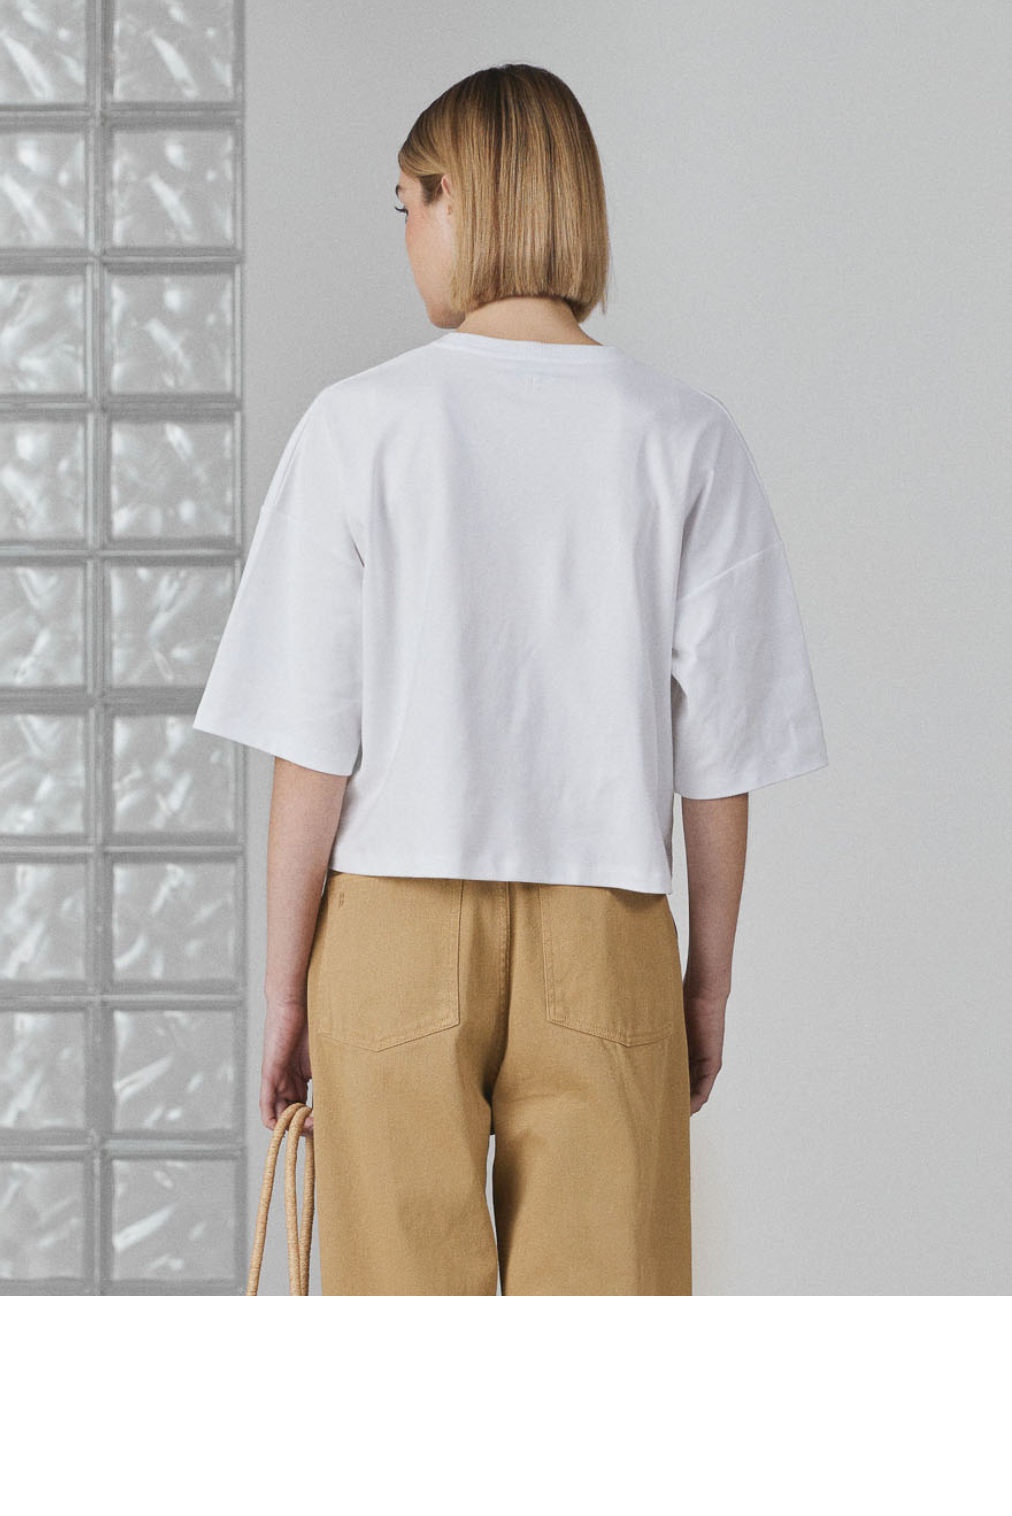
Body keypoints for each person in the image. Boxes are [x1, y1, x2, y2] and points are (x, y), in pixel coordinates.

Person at [192, 63, 828, 1295]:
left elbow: (312, 747)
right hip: (606, 932)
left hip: (390, 927)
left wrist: (284, 992)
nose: (407, 240)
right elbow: (722, 760)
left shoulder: (357, 425)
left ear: (454, 197)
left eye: (406, 206)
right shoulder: (683, 436)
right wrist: (706, 983)